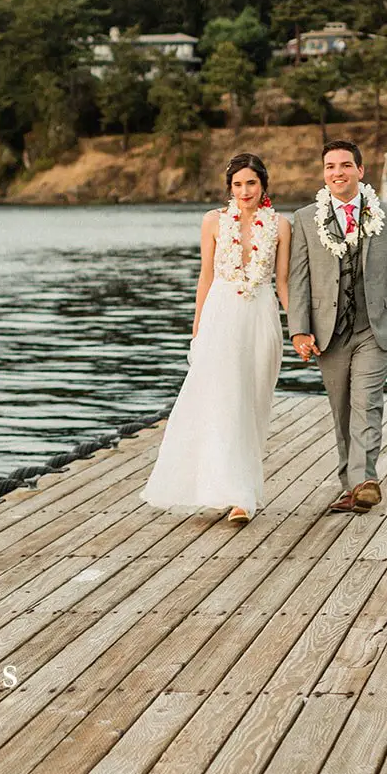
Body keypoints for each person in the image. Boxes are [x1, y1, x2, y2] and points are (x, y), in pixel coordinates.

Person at [141, 154, 291, 524]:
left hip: (261, 318)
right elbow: (205, 277)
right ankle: (235, 495)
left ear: (263, 185)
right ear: (229, 187)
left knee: (253, 404)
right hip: (221, 317)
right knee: (222, 402)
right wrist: (197, 329)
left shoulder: (280, 225)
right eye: (238, 184)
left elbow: (284, 283)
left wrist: (302, 328)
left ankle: (242, 486)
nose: (245, 191)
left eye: (251, 183)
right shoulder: (213, 221)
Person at [288, 140, 387, 515]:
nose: (337, 172)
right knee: (342, 410)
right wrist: (299, 330)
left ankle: (365, 480)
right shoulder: (305, 219)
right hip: (328, 331)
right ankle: (352, 485)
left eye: (345, 165)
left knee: (367, 404)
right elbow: (299, 279)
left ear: (360, 171)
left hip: (373, 328)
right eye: (330, 166)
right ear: (323, 173)